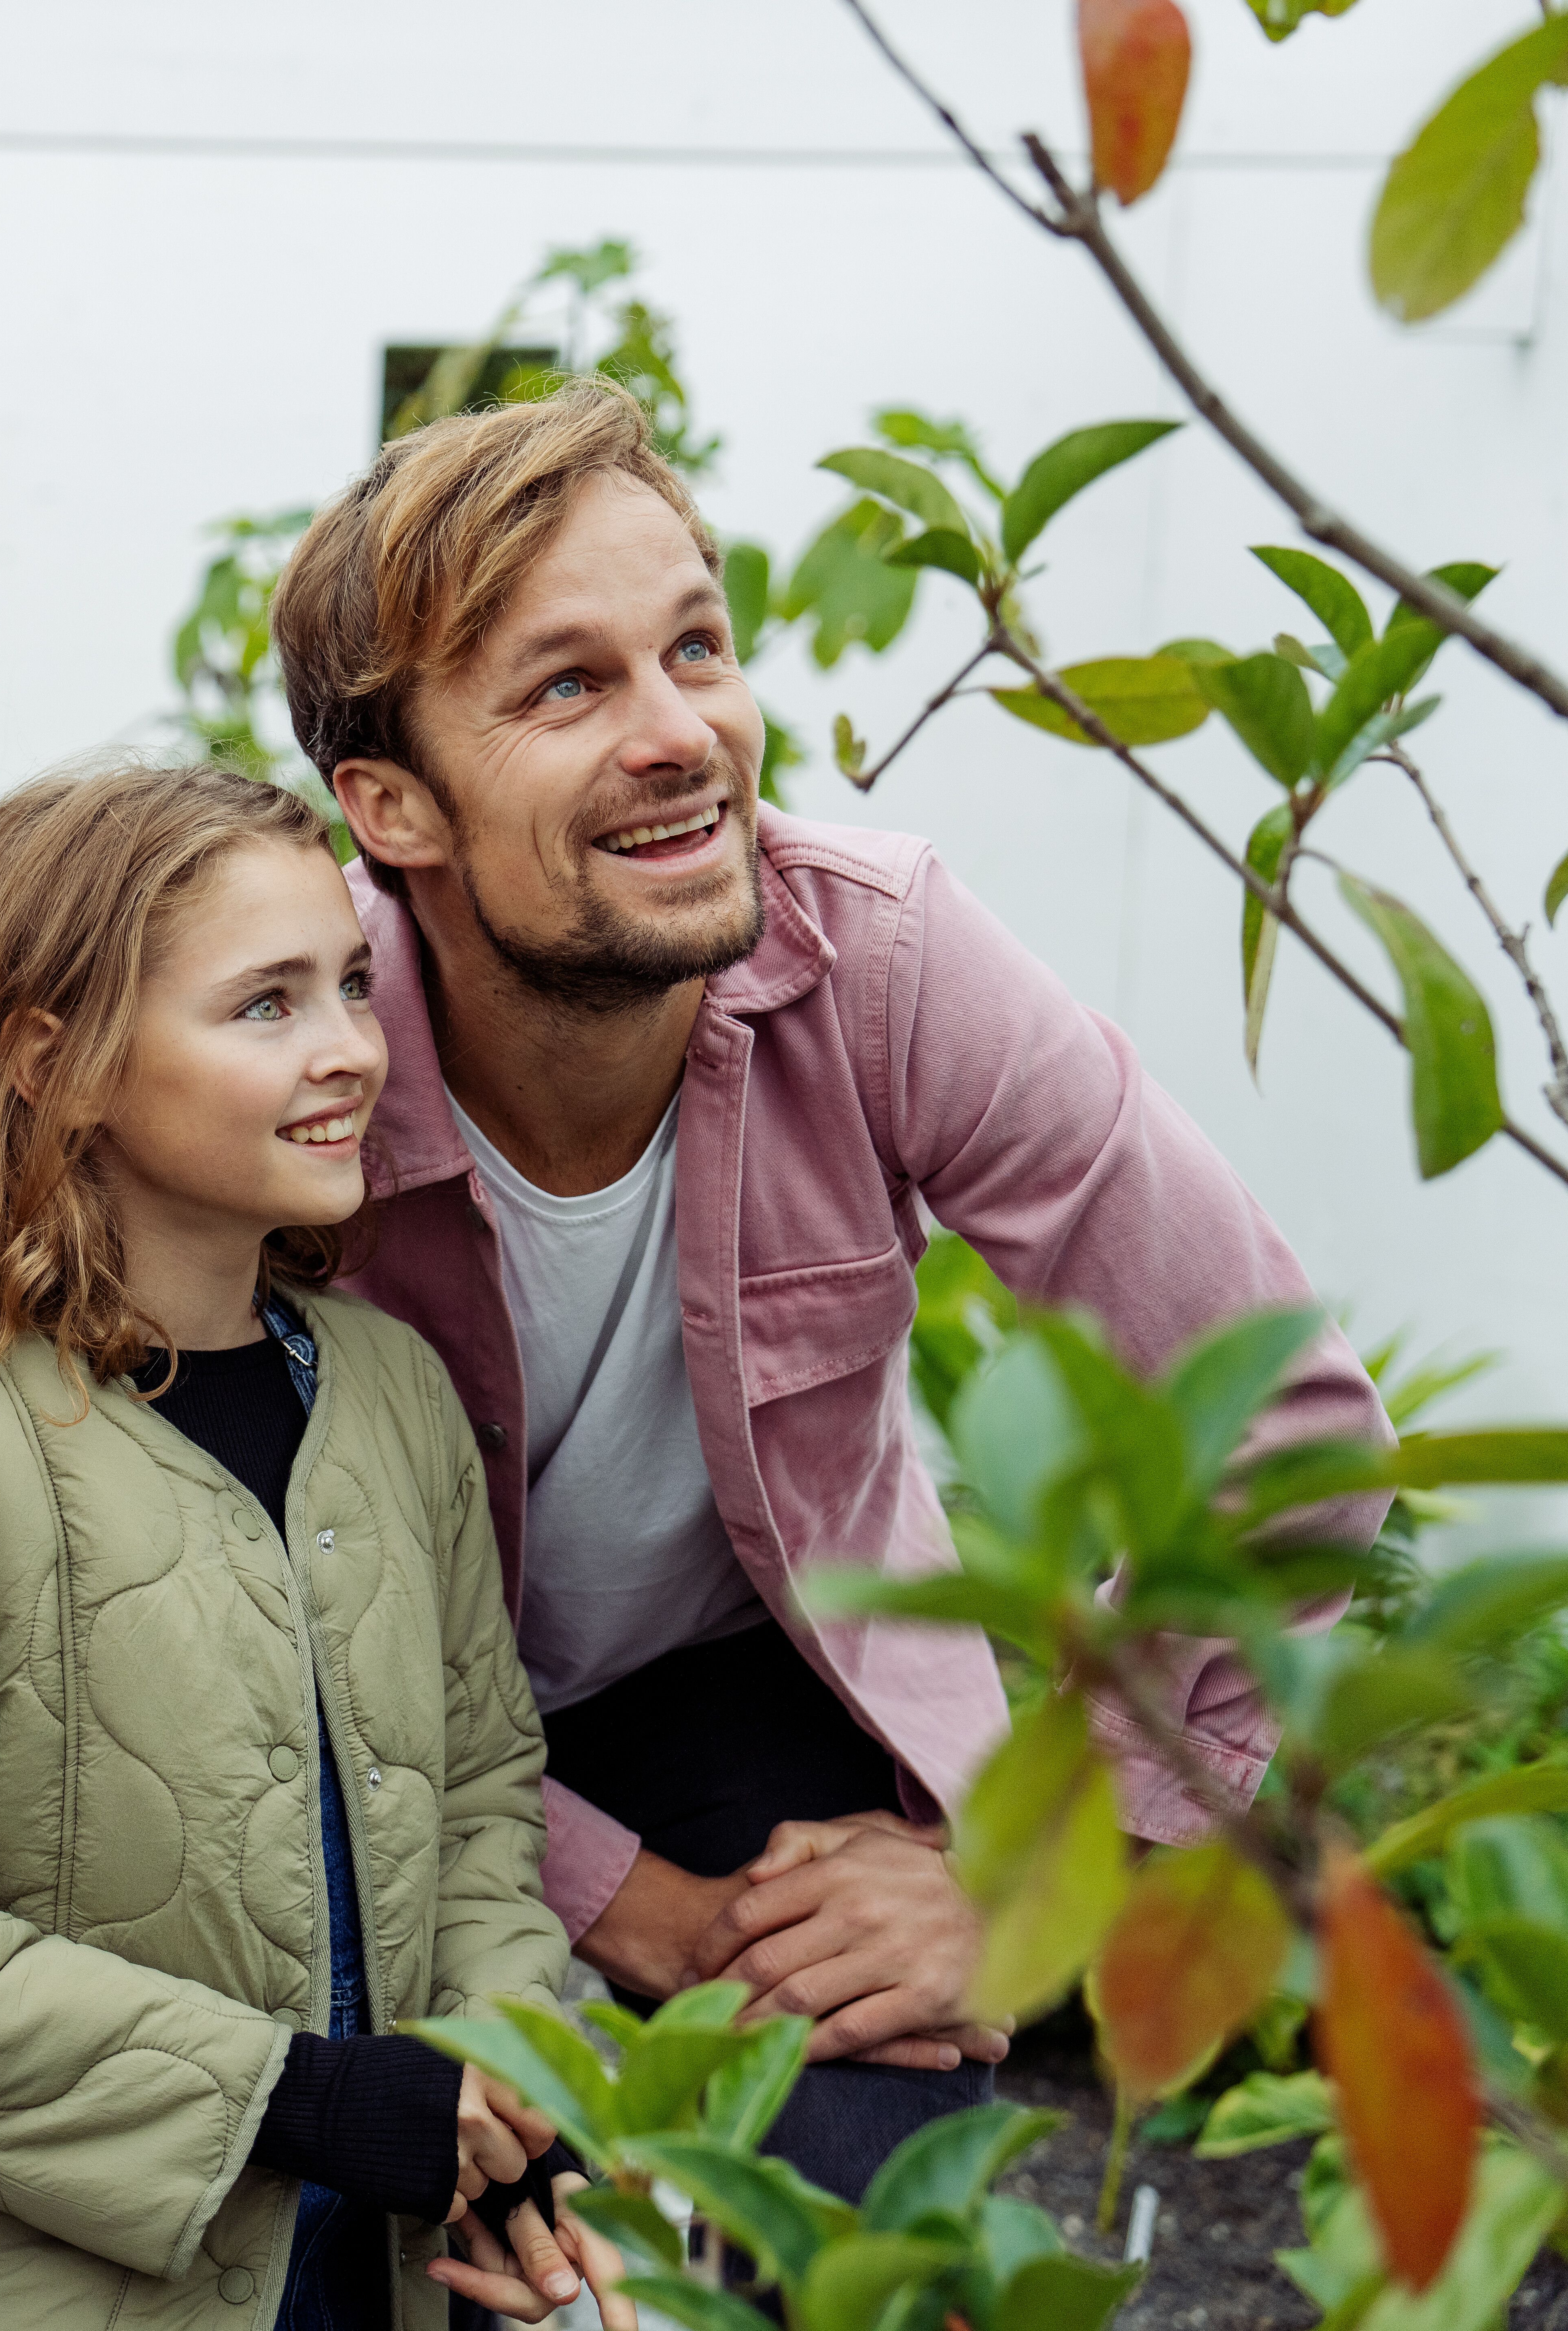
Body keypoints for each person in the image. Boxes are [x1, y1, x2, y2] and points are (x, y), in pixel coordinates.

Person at [266, 376, 1393, 2199]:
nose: (681, 737)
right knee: (464, 2249)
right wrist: (607, 1898)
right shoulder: (290, 1057)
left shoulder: (879, 958)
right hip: (368, 1756)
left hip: (751, 1685)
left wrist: (1029, 1871)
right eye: (569, 685)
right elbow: (220, 1627)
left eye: (696, 650)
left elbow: (1282, 1421)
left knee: (869, 2228)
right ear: (392, 807)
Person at [0, 766, 629, 2331]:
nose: (348, 1048)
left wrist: (507, 2092)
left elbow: (479, 1796)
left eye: (348, 982)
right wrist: (309, 2103)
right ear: (52, 1064)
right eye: (264, 1006)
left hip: (358, 2274)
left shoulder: (400, 1396)